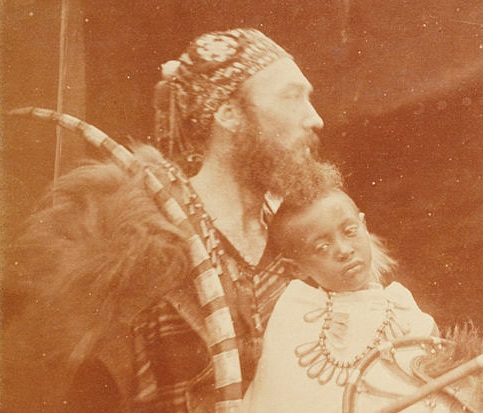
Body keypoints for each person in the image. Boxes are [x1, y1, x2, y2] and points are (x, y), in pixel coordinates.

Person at [2, 28, 341, 413]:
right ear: (229, 114)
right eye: (292, 96)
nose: (315, 119)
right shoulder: (136, 251)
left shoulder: (305, 243)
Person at [242, 187, 439, 412]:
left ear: (364, 225)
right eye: (322, 247)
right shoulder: (297, 316)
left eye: (350, 231)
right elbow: (280, 400)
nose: (344, 250)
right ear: (296, 268)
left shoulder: (400, 306)